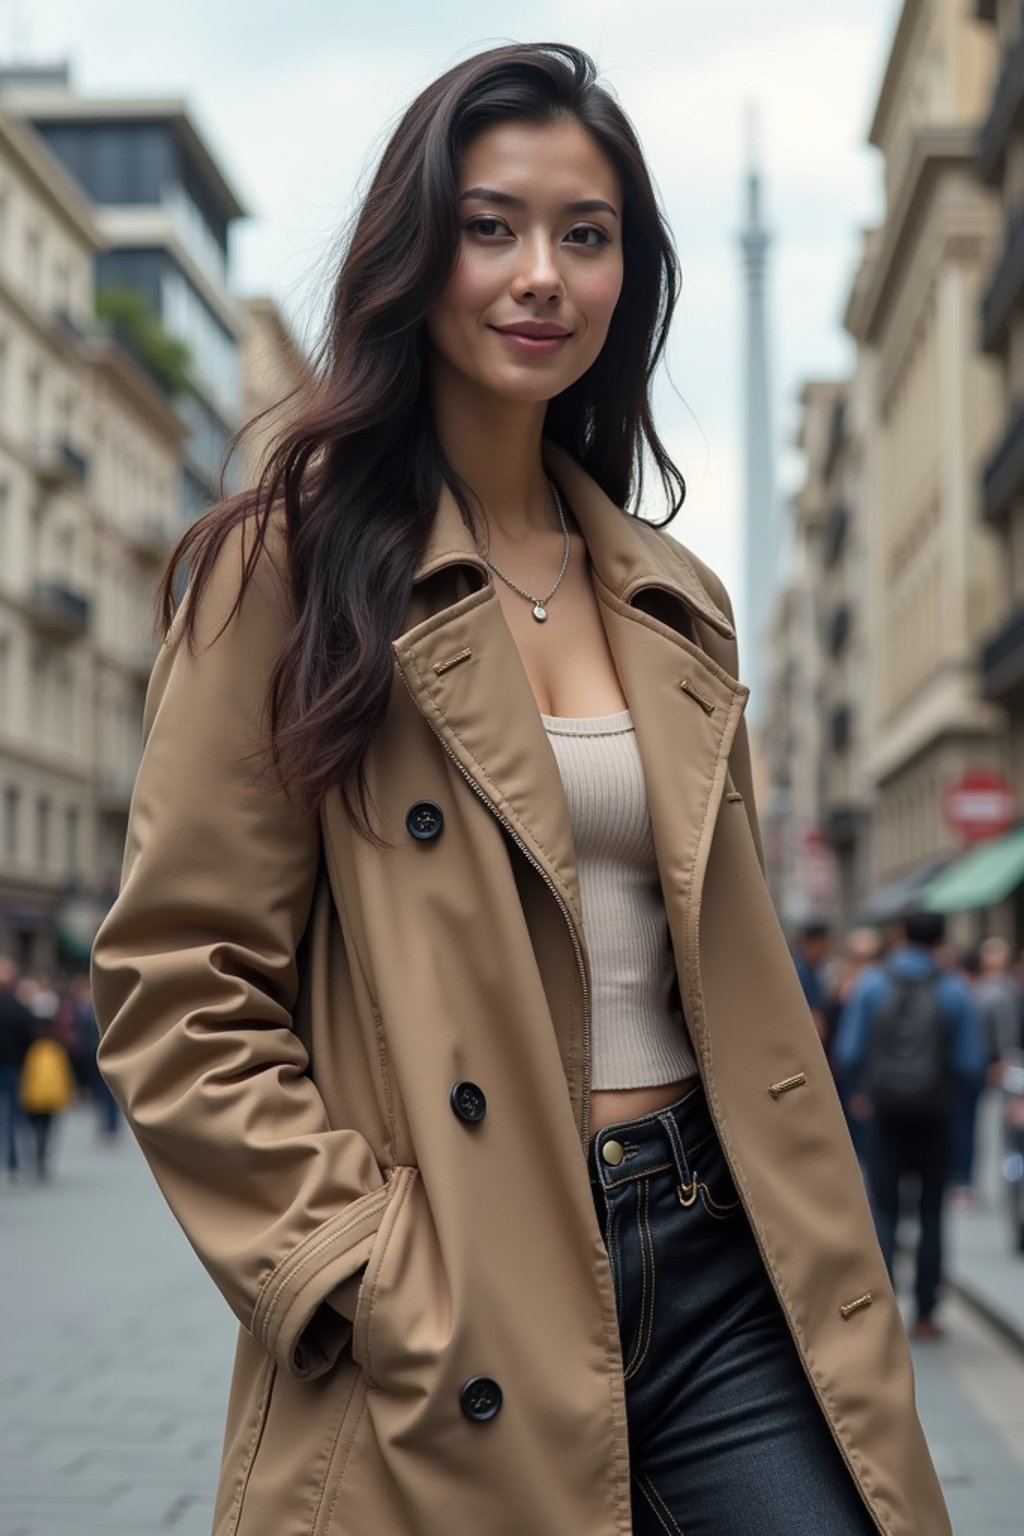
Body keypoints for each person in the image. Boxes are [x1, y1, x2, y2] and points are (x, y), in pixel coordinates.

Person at [90, 43, 948, 1536]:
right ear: (416, 256)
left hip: (723, 1250)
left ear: (628, 277)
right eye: (491, 226)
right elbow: (180, 983)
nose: (539, 273)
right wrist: (365, 1266)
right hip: (469, 1269)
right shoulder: (282, 571)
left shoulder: (676, 599)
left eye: (586, 234)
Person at [834, 910, 987, 1340]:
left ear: (900, 936)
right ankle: (926, 1314)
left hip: (884, 1115)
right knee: (932, 1213)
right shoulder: (955, 990)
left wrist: (864, 1095)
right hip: (935, 1117)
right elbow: (970, 1063)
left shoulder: (871, 985)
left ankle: (882, 1315)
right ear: (940, 940)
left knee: (883, 1211)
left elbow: (848, 1053)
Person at [0, 957, 35, 1179]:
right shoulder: (18, 1008)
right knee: (13, 1116)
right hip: (13, 1066)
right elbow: (30, 1037)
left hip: (12, 1065)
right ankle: (12, 1163)